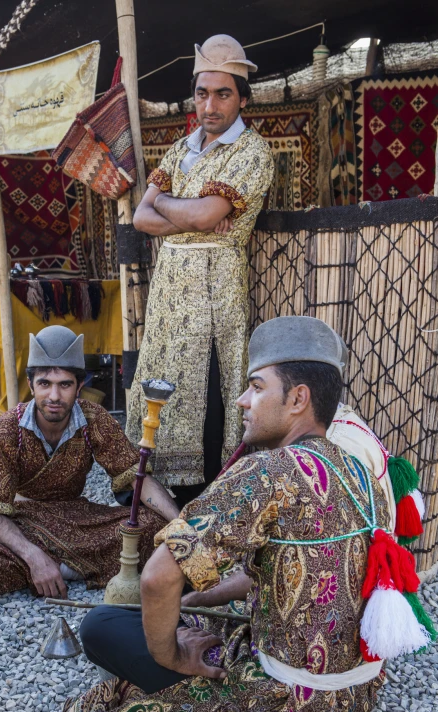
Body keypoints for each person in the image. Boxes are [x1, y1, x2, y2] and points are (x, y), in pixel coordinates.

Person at [58, 316, 390, 712]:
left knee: (101, 624)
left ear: (297, 398)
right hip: (354, 697)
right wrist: (205, 596)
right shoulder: (360, 473)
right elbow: (309, 572)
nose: (240, 401)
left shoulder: (268, 471)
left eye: (255, 387)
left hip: (279, 707)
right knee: (201, 607)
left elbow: (158, 577)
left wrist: (174, 656)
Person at [127, 34, 274, 506]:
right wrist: (186, 213)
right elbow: (140, 217)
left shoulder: (252, 153)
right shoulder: (180, 148)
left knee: (208, 396)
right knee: (164, 389)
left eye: (223, 93)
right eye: (201, 93)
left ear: (242, 98)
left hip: (214, 294)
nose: (209, 105)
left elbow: (200, 217)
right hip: (169, 293)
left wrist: (171, 210)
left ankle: (206, 510)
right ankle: (162, 502)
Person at [0, 326, 179, 604]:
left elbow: (134, 476)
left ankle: (57, 569)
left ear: (79, 387)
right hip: (25, 521)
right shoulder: (6, 430)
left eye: (64, 384)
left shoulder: (94, 418)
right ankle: (59, 567)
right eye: (45, 384)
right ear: (31, 385)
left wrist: (179, 524)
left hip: (77, 518)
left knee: (152, 526)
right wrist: (33, 556)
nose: (54, 396)